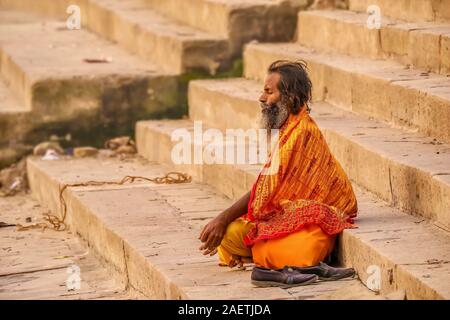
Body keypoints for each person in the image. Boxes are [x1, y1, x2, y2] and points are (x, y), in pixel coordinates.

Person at [199, 60, 358, 286]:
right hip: (285, 214)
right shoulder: (288, 127)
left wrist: (223, 217)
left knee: (300, 248)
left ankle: (270, 266)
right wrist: (224, 222)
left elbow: (265, 190)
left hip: (318, 213)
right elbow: (266, 188)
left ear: (289, 97)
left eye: (269, 92)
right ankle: (272, 260)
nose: (261, 98)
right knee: (231, 234)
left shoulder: (303, 131)